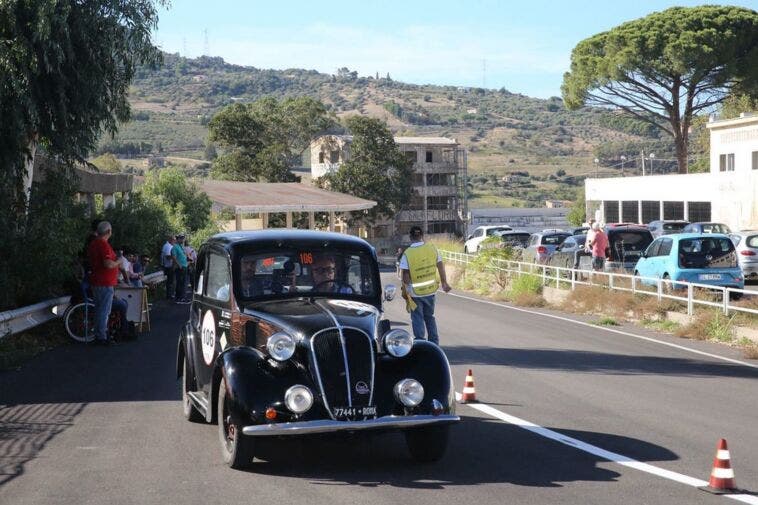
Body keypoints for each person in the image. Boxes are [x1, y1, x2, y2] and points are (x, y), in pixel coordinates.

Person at [399, 225, 451, 345]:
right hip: (431, 291)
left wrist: (405, 291)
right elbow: (440, 265)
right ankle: (434, 343)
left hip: (415, 293)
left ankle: (421, 343)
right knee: (430, 317)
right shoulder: (432, 248)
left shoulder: (408, 254)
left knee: (417, 318)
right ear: (422, 236)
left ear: (410, 237)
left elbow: (405, 276)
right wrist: (444, 282)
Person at [86, 221, 128, 345]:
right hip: (104, 282)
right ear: (109, 231)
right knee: (104, 310)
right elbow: (108, 264)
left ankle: (100, 334)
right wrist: (118, 261)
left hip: (97, 281)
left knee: (100, 309)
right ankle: (102, 336)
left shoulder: (93, 244)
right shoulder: (103, 245)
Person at [172, 234, 190, 303]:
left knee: (183, 283)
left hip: (184, 266)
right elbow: (173, 257)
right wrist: (179, 265)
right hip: (180, 267)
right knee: (180, 283)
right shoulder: (175, 247)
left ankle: (182, 297)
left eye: (183, 238)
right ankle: (179, 298)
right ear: (177, 239)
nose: (182, 240)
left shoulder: (181, 246)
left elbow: (184, 255)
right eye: (181, 238)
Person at [161, 235, 176, 299]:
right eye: (174, 240)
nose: (174, 242)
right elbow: (167, 256)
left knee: (170, 281)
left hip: (169, 266)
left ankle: (169, 294)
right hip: (168, 266)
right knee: (169, 281)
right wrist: (175, 258)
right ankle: (169, 295)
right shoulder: (167, 246)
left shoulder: (168, 245)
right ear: (170, 240)